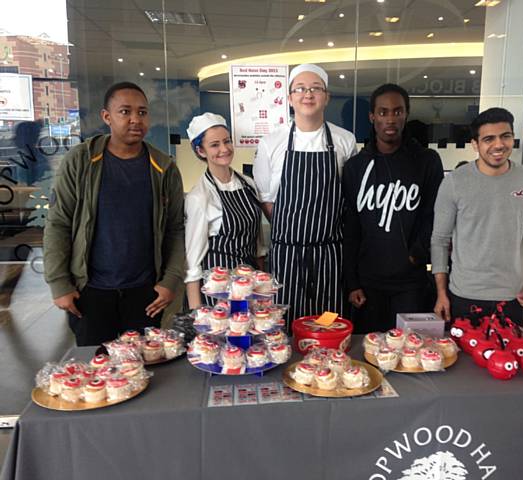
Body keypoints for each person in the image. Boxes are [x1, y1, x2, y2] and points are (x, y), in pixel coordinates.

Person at [43, 82, 185, 346]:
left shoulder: (163, 167)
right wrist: (60, 283)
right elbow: (58, 223)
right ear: (106, 117)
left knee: (144, 368)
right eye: (125, 112)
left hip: (146, 292)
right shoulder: (81, 161)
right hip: (91, 291)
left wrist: (170, 281)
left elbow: (176, 228)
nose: (135, 119)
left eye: (142, 112)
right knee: (95, 370)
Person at [253, 64, 357, 323]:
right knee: (286, 321)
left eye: (315, 88)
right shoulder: (271, 142)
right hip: (287, 254)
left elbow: (349, 196)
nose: (307, 94)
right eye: (300, 89)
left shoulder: (345, 141)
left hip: (330, 254)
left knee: (328, 321)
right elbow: (267, 199)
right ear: (289, 98)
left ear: (327, 97)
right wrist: (291, 232)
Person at [430, 107, 523, 326]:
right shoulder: (454, 182)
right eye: (488, 139)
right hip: (463, 295)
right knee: (463, 360)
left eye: (505, 136)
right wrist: (441, 292)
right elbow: (439, 240)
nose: (498, 145)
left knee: (510, 359)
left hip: (514, 297)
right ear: (475, 144)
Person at [342, 84, 444, 332]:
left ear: (406, 114)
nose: (390, 119)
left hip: (411, 282)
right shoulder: (355, 167)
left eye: (397, 112)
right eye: (383, 112)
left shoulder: (426, 161)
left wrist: (416, 254)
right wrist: (352, 281)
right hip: (368, 283)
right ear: (372, 116)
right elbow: (351, 226)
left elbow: (434, 215)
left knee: (409, 353)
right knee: (368, 355)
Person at [184, 113, 266, 309]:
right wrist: (198, 315)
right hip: (217, 290)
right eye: (214, 145)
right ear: (200, 151)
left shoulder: (248, 184)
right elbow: (192, 265)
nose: (224, 149)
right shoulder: (199, 197)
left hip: (249, 283)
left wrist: (262, 290)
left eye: (227, 141)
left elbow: (258, 245)